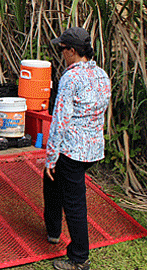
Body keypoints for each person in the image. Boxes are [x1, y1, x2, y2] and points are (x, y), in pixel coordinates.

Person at [44, 27, 110, 270]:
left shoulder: (70, 77)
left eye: (62, 49)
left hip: (72, 149)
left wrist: (51, 157)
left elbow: (60, 119)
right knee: (51, 181)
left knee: (74, 203)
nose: (61, 53)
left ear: (72, 51)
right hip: (92, 147)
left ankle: (79, 257)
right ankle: (52, 230)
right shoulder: (101, 74)